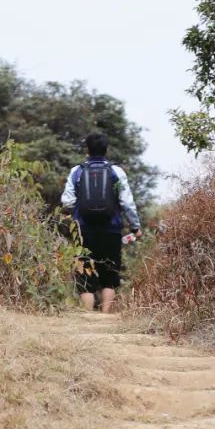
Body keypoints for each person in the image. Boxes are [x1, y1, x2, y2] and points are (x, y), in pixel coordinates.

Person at [62, 132, 141, 313]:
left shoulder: (77, 171)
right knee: (109, 275)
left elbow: (67, 201)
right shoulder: (116, 172)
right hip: (111, 230)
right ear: (107, 150)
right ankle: (105, 319)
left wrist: (71, 214)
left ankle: (88, 318)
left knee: (84, 276)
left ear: (87, 150)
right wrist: (135, 227)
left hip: (83, 231)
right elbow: (127, 202)